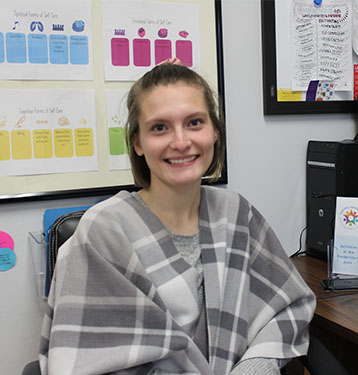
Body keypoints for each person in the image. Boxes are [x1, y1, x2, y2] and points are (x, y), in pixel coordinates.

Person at [39, 61, 316, 375]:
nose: (181, 141)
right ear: (137, 142)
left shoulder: (237, 213)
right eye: (160, 127)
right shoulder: (102, 231)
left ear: (214, 132)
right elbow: (83, 361)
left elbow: (287, 307)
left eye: (195, 122)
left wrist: (257, 363)